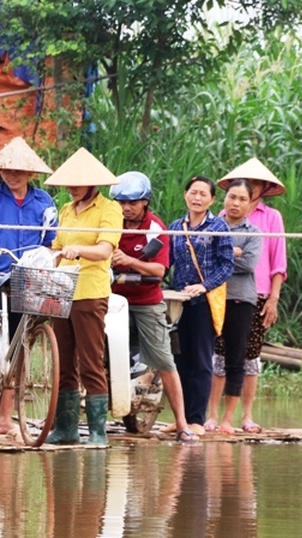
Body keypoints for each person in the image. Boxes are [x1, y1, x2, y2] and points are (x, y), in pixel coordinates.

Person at [0, 137, 57, 438]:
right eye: (7, 170)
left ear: (31, 173)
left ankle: (7, 418)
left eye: (19, 170)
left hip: (30, 278)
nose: (12, 175)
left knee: (19, 349)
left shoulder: (44, 202)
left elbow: (49, 243)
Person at [108, 171, 199, 443]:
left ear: (145, 201)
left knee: (164, 359)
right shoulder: (110, 222)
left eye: (132, 202)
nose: (126, 208)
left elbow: (158, 269)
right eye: (121, 202)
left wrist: (129, 261)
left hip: (145, 301)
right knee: (94, 355)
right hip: (112, 300)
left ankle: (182, 424)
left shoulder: (155, 228)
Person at [43, 147, 123, 445]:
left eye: (78, 182)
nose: (71, 187)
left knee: (91, 361)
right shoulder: (65, 209)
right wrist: (48, 256)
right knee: (63, 360)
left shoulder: (109, 209)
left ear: (93, 183)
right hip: (62, 290)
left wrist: (78, 251)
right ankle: (66, 428)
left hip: (90, 292)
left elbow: (105, 250)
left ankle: (98, 431)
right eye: (69, 183)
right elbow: (57, 246)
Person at [217, 158, 288, 432]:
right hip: (220, 291)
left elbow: (278, 260)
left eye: (256, 184)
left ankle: (246, 415)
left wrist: (273, 298)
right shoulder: (221, 219)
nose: (250, 188)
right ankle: (213, 416)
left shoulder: (271, 218)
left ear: (262, 188)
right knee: (218, 355)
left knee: (250, 355)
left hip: (256, 293)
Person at [167, 176, 234, 427]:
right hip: (178, 303)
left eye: (203, 194)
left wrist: (202, 286)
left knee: (201, 361)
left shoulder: (218, 226)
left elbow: (226, 266)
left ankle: (196, 420)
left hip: (204, 303)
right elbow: (168, 261)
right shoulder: (176, 225)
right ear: (185, 194)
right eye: (193, 192)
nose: (197, 198)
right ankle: (181, 419)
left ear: (212, 199)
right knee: (179, 361)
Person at [205, 179, 262, 434]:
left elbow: (248, 265)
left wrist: (222, 256)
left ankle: (228, 419)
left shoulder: (254, 233)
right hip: (210, 298)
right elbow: (202, 259)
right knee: (208, 357)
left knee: (235, 358)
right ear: (223, 199)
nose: (236, 203)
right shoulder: (210, 226)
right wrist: (232, 253)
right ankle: (209, 416)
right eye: (232, 197)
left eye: (242, 199)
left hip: (240, 299)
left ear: (251, 205)